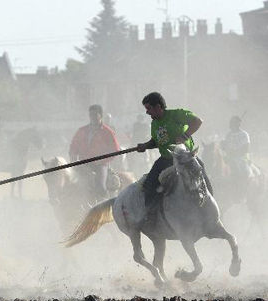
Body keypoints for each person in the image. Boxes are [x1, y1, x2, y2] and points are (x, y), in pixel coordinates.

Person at [136, 92, 212, 226]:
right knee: (149, 184)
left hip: (185, 157)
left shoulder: (176, 114)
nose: (147, 112)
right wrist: (145, 146)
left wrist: (185, 135)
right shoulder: (154, 123)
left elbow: (197, 121)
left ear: (158, 106)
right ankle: (151, 216)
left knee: (202, 176)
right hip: (165, 159)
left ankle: (210, 212)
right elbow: (156, 141)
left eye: (149, 108)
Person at [69, 104, 120, 199]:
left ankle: (103, 208)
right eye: (90, 115)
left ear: (100, 115)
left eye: (95, 115)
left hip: (100, 165)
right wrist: (73, 159)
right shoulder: (82, 131)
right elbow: (73, 147)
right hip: (83, 164)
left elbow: (115, 150)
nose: (92, 117)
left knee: (101, 187)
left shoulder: (108, 132)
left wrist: (101, 161)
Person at [221, 115, 252, 201]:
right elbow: (225, 147)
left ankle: (242, 193)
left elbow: (246, 148)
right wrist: (223, 145)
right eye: (230, 122)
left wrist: (235, 152)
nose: (230, 123)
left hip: (241, 159)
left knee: (245, 172)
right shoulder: (228, 134)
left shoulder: (244, 134)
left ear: (238, 123)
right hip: (228, 158)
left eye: (232, 122)